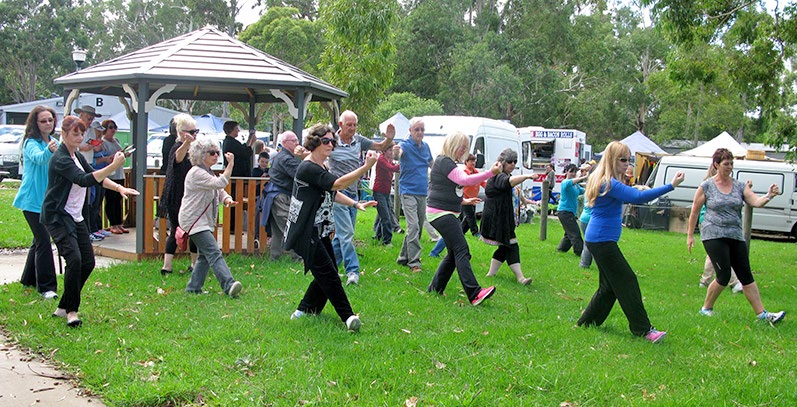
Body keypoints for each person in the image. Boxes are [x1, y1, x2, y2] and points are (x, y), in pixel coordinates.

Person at [577, 141, 684, 343]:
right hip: (602, 241)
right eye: (623, 160)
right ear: (611, 160)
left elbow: (630, 193)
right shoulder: (610, 183)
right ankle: (644, 330)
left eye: (629, 160)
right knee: (627, 281)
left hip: (599, 239)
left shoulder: (602, 179)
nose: (627, 164)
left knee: (609, 287)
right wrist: (671, 186)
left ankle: (586, 324)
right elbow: (638, 197)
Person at [42, 116, 139, 327]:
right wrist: (113, 165)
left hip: (76, 217)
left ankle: (63, 306)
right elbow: (84, 180)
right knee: (74, 260)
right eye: (74, 133)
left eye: (81, 133)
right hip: (58, 217)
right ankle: (71, 312)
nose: (79, 137)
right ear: (64, 134)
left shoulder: (76, 155)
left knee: (88, 262)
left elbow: (94, 175)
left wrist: (120, 188)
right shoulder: (60, 158)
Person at [284, 124, 377, 331]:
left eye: (332, 141)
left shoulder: (322, 166)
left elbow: (331, 192)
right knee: (331, 275)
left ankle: (305, 310)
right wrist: (365, 167)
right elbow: (337, 184)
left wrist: (355, 203)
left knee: (328, 271)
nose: (330, 144)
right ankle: (348, 317)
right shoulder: (308, 167)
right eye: (325, 140)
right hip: (306, 231)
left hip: (321, 229)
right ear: (314, 142)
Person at [687, 148, 785, 324]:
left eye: (731, 163)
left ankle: (762, 315)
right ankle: (706, 309)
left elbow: (755, 201)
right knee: (723, 275)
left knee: (745, 275)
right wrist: (690, 236)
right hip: (713, 234)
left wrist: (769, 196)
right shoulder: (707, 186)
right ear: (716, 165)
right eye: (726, 164)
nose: (729, 167)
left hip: (735, 234)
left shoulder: (740, 186)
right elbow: (694, 212)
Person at [426, 132, 501, 306]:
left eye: (466, 148)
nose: (464, 151)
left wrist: (463, 200)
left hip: (443, 212)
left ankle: (435, 288)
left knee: (453, 253)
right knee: (462, 249)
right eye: (462, 147)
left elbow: (442, 188)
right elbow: (464, 180)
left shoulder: (447, 163)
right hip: (441, 213)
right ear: (453, 145)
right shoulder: (444, 161)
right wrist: (490, 172)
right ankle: (474, 293)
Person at [329, 110, 395, 285]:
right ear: (340, 124)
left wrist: (388, 138)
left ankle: (330, 270)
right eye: (349, 125)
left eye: (354, 125)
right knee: (347, 233)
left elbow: (380, 147)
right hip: (337, 193)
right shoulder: (331, 142)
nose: (352, 128)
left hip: (353, 192)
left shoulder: (359, 140)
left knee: (341, 235)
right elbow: (315, 154)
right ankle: (353, 271)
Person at [180, 138, 243, 297]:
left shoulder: (206, 172)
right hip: (194, 221)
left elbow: (218, 190)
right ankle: (228, 285)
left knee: (204, 257)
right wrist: (231, 165)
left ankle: (193, 288)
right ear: (201, 155)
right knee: (214, 252)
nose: (216, 156)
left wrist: (227, 199)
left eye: (217, 152)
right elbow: (220, 182)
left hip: (202, 221)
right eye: (212, 153)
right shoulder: (196, 172)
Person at [14, 106, 59, 299]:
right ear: (35, 123)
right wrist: (49, 150)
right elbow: (40, 159)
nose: (48, 124)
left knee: (38, 240)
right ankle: (47, 287)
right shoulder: (30, 143)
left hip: (47, 200)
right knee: (43, 241)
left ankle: (28, 279)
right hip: (31, 200)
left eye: (50, 120)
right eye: (43, 121)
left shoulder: (54, 141)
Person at [480, 148, 536, 285]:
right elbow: (508, 182)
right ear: (503, 162)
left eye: (515, 162)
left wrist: (525, 201)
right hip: (496, 219)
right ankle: (520, 278)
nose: (512, 164)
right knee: (512, 245)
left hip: (502, 218)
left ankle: (491, 274)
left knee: (505, 246)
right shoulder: (498, 176)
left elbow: (514, 189)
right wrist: (527, 176)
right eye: (510, 161)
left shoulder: (502, 175)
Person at [159, 114, 199, 276]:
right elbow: (178, 158)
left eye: (196, 131)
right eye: (191, 131)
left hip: (190, 194)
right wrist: (187, 142)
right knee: (177, 228)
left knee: (195, 229)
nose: (194, 134)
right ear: (182, 132)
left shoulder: (193, 147)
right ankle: (167, 265)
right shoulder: (176, 146)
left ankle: (194, 264)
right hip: (176, 195)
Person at [262, 130, 307, 260]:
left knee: (278, 228)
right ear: (285, 143)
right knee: (290, 226)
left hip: (278, 195)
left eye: (297, 140)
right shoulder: (286, 158)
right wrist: (305, 157)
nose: (297, 143)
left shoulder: (285, 156)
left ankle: (274, 257)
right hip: (279, 197)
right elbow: (301, 174)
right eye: (294, 141)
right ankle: (298, 256)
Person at [396, 117, 433, 273]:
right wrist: (395, 151)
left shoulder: (426, 147)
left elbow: (433, 165)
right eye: (416, 129)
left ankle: (403, 257)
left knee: (416, 226)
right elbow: (397, 154)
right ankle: (414, 262)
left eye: (422, 129)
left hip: (422, 191)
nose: (419, 132)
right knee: (414, 226)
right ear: (410, 131)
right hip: (408, 191)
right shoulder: (404, 145)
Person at [221, 120, 255, 233]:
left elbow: (242, 150)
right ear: (231, 130)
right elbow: (244, 154)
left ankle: (233, 227)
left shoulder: (231, 142)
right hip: (236, 177)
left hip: (236, 177)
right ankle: (232, 227)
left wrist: (249, 143)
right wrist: (250, 145)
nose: (238, 131)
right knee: (234, 202)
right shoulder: (231, 143)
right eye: (236, 129)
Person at [99, 119, 130, 234]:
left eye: (114, 127)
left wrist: (125, 154)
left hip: (119, 174)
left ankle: (119, 223)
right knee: (111, 201)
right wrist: (115, 157)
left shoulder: (115, 141)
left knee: (118, 200)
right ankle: (113, 224)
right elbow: (105, 158)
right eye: (110, 127)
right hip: (110, 176)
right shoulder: (103, 143)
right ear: (105, 129)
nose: (113, 130)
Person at [557, 163, 588, 256]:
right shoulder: (565, 183)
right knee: (575, 234)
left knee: (568, 233)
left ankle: (561, 249)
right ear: (566, 172)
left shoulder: (576, 186)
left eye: (575, 172)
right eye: (571, 171)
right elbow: (573, 181)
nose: (573, 173)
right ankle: (580, 253)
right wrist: (584, 177)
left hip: (570, 213)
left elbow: (584, 190)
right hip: (564, 212)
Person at [373, 145, 400, 245]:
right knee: (386, 217)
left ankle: (377, 236)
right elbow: (392, 168)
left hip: (386, 192)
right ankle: (387, 241)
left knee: (383, 215)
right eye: (390, 150)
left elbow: (394, 166)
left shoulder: (389, 160)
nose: (392, 152)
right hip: (379, 191)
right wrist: (405, 164)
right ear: (384, 151)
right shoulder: (381, 160)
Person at [460, 154, 483, 237]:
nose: (473, 163)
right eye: (471, 161)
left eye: (474, 161)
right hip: (466, 198)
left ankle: (460, 231)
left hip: (474, 198)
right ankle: (475, 232)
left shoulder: (476, 172)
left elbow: (482, 182)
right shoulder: (465, 173)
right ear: (466, 162)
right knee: (471, 216)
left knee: (468, 217)